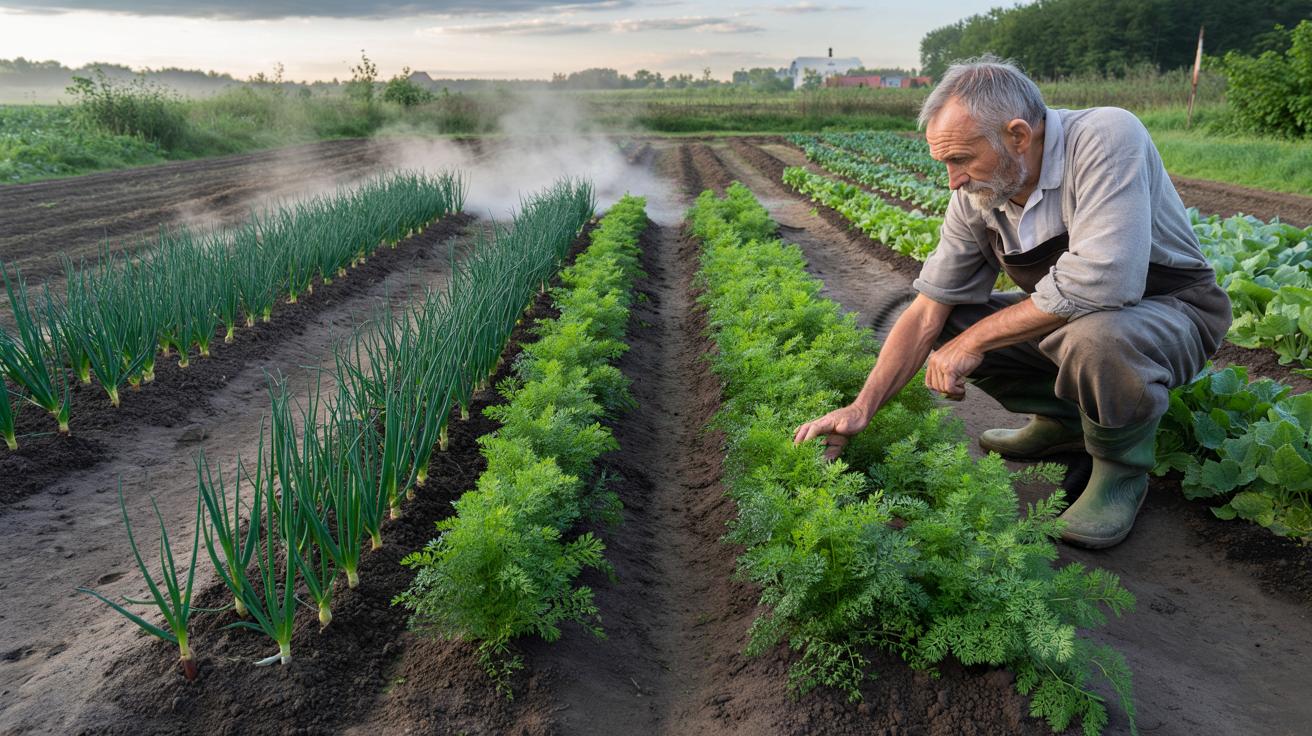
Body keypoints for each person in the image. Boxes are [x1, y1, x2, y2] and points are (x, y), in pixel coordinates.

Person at [792, 56, 1231, 549]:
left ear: (1018, 135)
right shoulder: (980, 194)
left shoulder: (1106, 136)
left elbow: (1106, 283)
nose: (952, 180)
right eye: (946, 163)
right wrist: (861, 409)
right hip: (1075, 320)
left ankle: (1120, 471)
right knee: (950, 321)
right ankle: (1064, 423)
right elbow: (928, 309)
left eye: (961, 159)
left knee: (1094, 336)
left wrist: (975, 342)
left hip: (1171, 311)